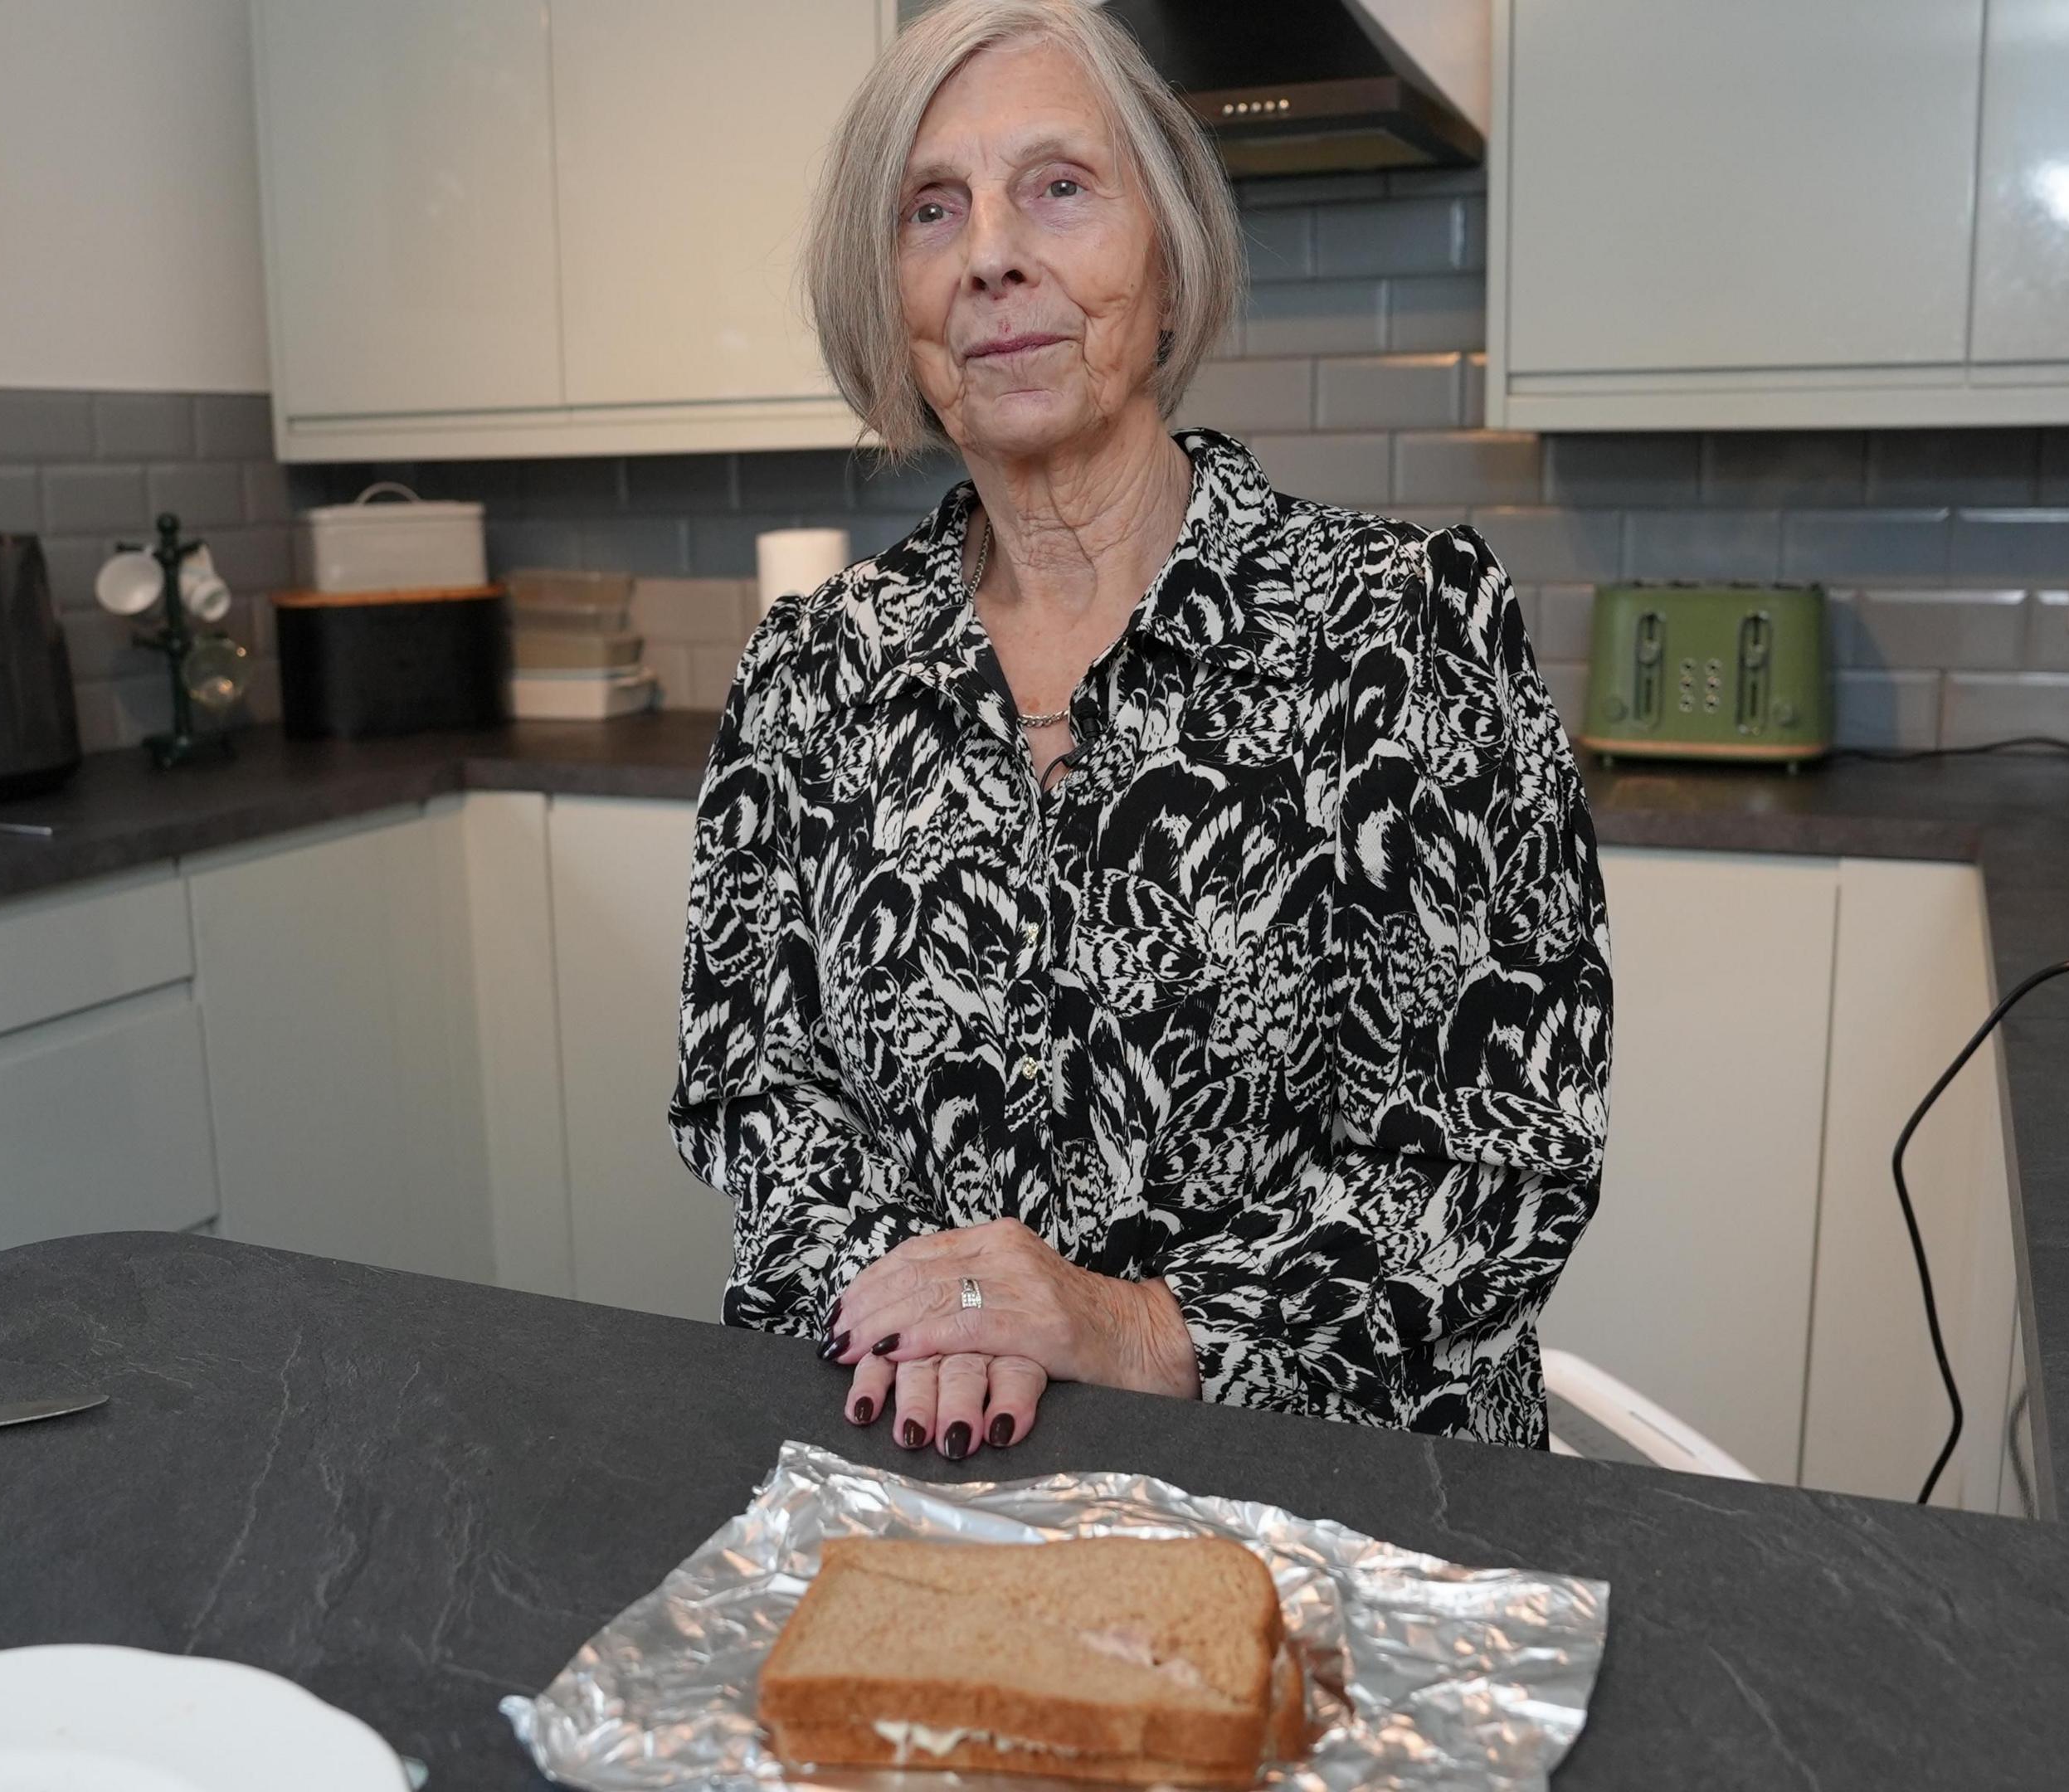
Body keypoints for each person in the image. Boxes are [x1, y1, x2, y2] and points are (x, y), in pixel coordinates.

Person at [669, 0, 1609, 1463]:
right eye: (933, 208)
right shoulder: (814, 669)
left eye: (1058, 186)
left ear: (1167, 261)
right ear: (890, 303)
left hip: (1341, 1497)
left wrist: (1117, 1328)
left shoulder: (1408, 630)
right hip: (930, 1469)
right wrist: (936, 1319)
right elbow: (755, 1090)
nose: (991, 253)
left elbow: (1504, 1160)